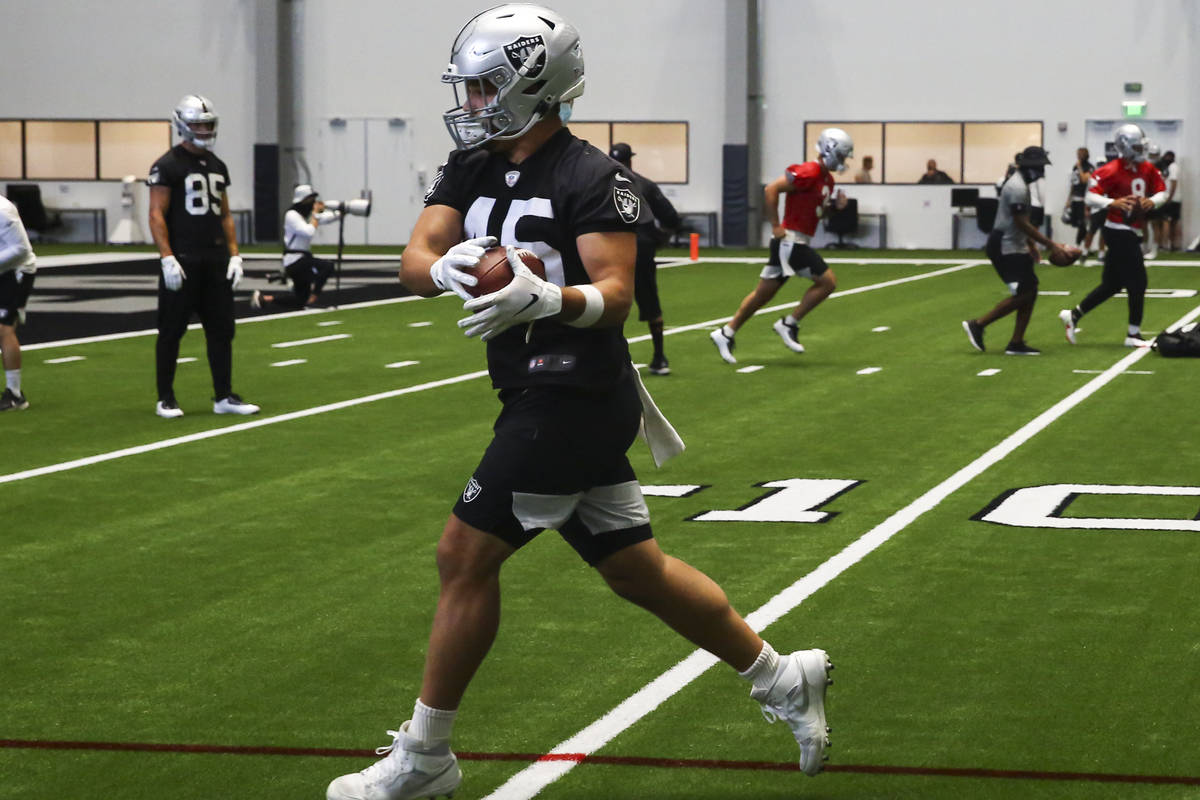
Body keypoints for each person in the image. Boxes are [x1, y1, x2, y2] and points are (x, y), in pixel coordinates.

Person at [326, 7, 833, 800]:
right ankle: (779, 675)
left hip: (575, 392)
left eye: (486, 83)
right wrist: (448, 270)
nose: (471, 98)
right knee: (639, 571)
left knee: (464, 554)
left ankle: (426, 758)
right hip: (531, 388)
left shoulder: (595, 176)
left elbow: (616, 295)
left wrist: (544, 297)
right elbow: (414, 257)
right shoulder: (469, 167)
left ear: (536, 84)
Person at [147, 94, 259, 418]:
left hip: (214, 259)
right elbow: (156, 214)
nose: (205, 129)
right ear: (181, 124)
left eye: (208, 124)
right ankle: (165, 397)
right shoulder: (166, 165)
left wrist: (235, 255)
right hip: (183, 259)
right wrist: (167, 256)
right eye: (198, 123)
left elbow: (225, 214)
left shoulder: (217, 165)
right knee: (171, 331)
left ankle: (223, 396)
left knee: (222, 330)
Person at [709, 128, 853, 364]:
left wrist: (835, 207)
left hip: (797, 241)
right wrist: (775, 224)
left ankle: (726, 333)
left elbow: (815, 210)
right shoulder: (809, 171)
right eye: (842, 155)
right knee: (828, 282)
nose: (844, 161)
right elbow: (771, 189)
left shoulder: (827, 179)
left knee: (761, 295)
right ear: (831, 151)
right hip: (790, 241)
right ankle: (789, 323)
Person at [1059, 123, 1167, 348]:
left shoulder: (1146, 168)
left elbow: (1162, 191)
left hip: (1132, 229)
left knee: (1112, 284)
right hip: (1118, 229)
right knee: (1138, 281)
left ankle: (1074, 315)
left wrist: (1152, 201)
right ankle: (1133, 334)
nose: (1141, 151)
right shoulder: (1111, 169)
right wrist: (1112, 202)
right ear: (1126, 147)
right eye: (1137, 147)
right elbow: (1090, 196)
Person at [961, 146, 1074, 356]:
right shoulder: (1017, 188)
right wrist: (1051, 245)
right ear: (1030, 167)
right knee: (1027, 292)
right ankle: (979, 324)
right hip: (1005, 244)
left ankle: (1016, 342)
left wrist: (1030, 246)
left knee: (1029, 291)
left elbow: (1022, 224)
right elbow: (1021, 223)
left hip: (1013, 243)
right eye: (1039, 167)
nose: (1041, 172)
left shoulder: (1022, 184)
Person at [608, 141, 681, 375]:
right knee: (650, 300)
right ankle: (660, 358)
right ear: (631, 160)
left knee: (607, 300)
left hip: (610, 250)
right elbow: (671, 218)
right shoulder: (645, 185)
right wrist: (661, 239)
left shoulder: (597, 185)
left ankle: (609, 359)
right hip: (641, 248)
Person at [251, 184, 339, 311]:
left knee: (300, 300)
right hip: (295, 260)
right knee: (327, 266)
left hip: (300, 260)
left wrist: (341, 212)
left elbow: (325, 219)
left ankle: (265, 299)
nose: (313, 203)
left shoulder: (305, 215)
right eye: (310, 200)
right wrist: (315, 214)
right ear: (303, 200)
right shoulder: (292, 215)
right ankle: (313, 297)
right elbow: (308, 232)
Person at [0, 193, 36, 411]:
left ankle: (15, 394)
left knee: (4, 329)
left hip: (16, 271)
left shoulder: (2, 210)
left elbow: (21, 249)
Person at [1063, 147, 1094, 252]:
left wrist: (1080, 167)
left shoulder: (1089, 167)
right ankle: (1086, 246)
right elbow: (1073, 183)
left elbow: (1085, 180)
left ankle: (1078, 244)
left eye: (1080, 154)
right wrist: (1069, 199)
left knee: (1083, 224)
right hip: (1075, 199)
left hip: (1084, 199)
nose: (1078, 156)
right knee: (1078, 223)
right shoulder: (1074, 167)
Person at [1151, 150, 1181, 252]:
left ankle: (1167, 244)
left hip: (1170, 198)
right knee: (1171, 222)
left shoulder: (1172, 167)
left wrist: (1169, 197)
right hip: (1170, 197)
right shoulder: (1167, 167)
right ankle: (1171, 244)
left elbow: (1173, 183)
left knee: (1166, 221)